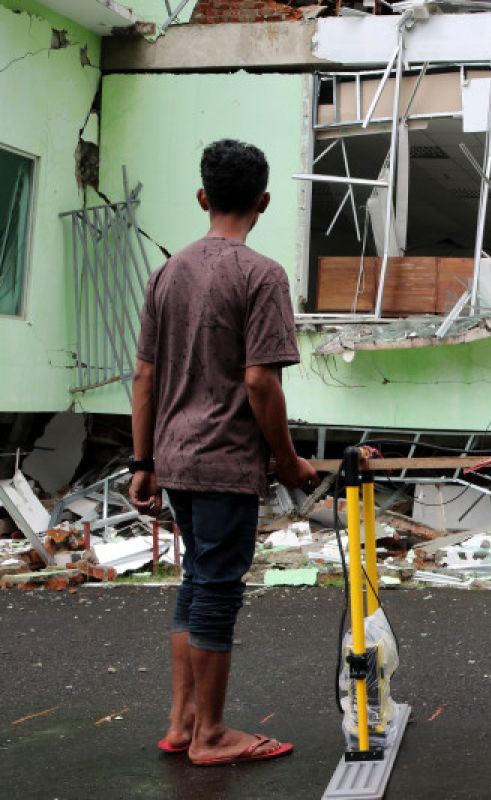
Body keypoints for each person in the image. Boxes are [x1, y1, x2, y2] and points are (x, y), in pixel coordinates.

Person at [129, 139, 318, 767]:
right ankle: (210, 735)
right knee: (215, 590)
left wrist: (142, 463)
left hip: (176, 460)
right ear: (264, 201)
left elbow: (146, 378)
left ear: (203, 197)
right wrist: (289, 463)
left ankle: (183, 723)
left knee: (194, 582)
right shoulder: (261, 275)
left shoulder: (166, 273)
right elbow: (261, 381)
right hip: (224, 463)